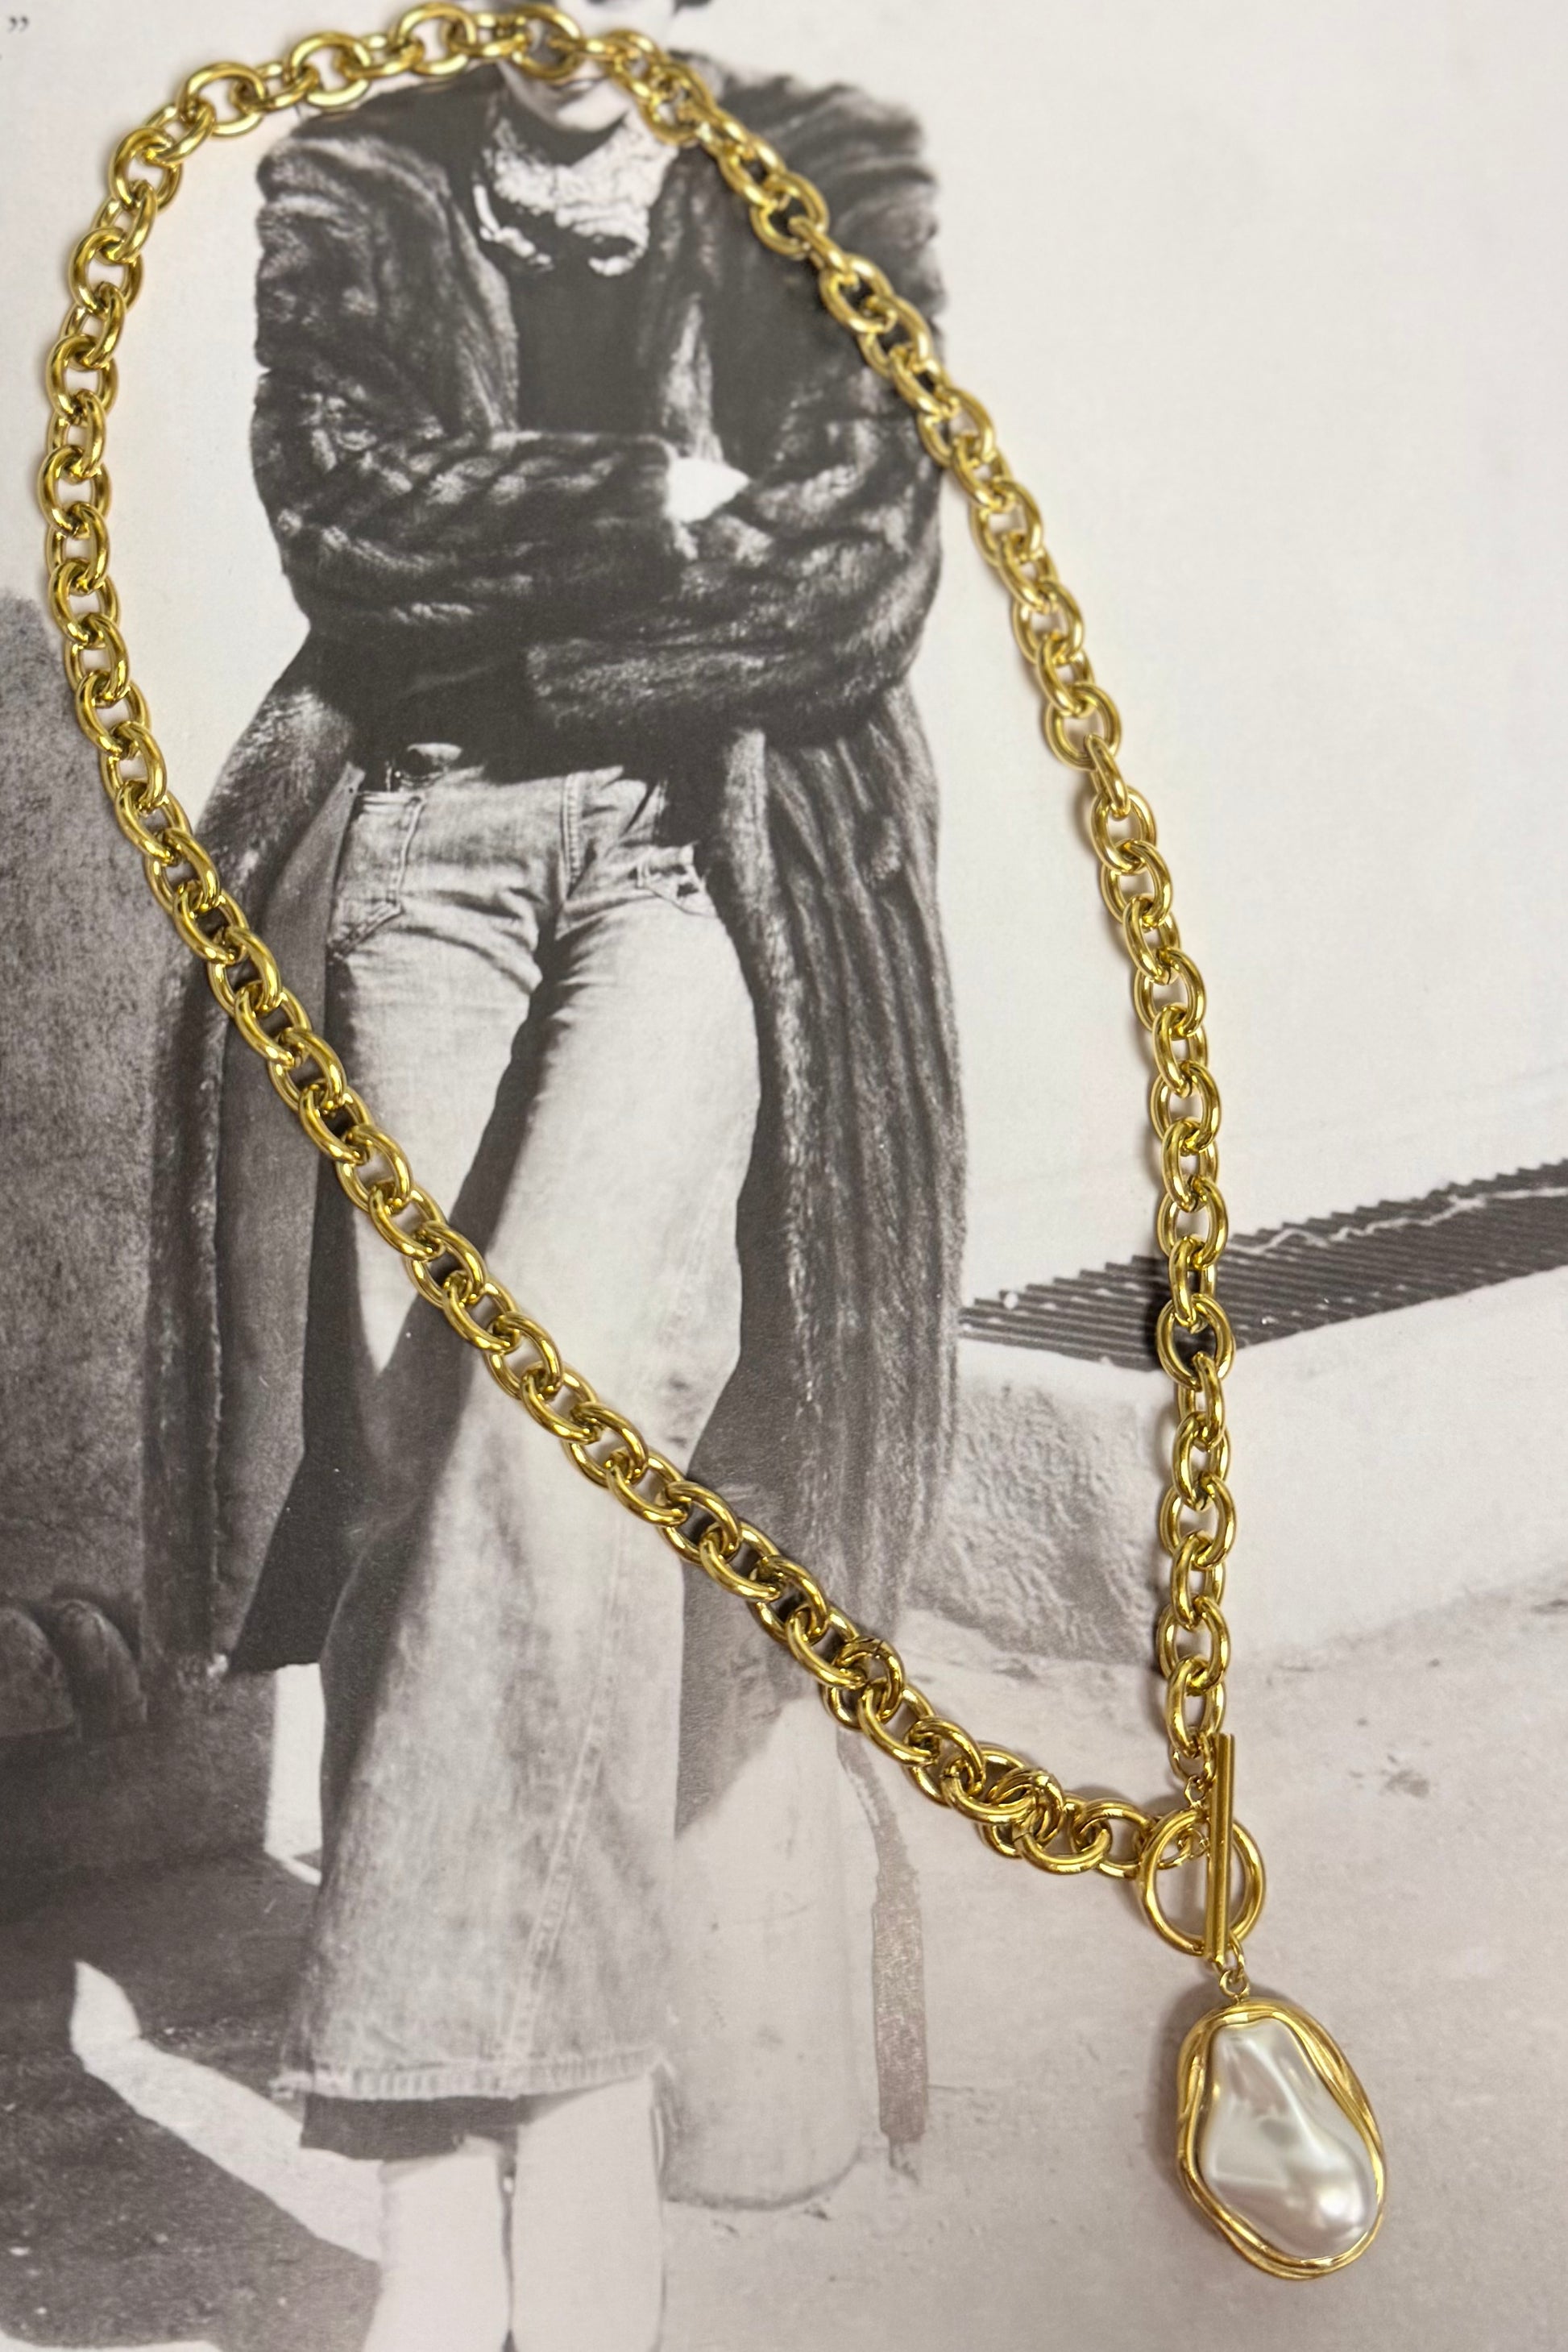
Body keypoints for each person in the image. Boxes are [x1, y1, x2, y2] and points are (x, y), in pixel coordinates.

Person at [147, 2, 964, 2343]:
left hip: (703, 861)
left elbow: (853, 580)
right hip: (421, 858)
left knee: (561, 1423)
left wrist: (527, 594)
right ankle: (460, 2190)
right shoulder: (350, 184)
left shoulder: (828, 173)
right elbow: (348, 539)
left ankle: (544, 2141)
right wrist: (649, 507)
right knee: (417, 1458)